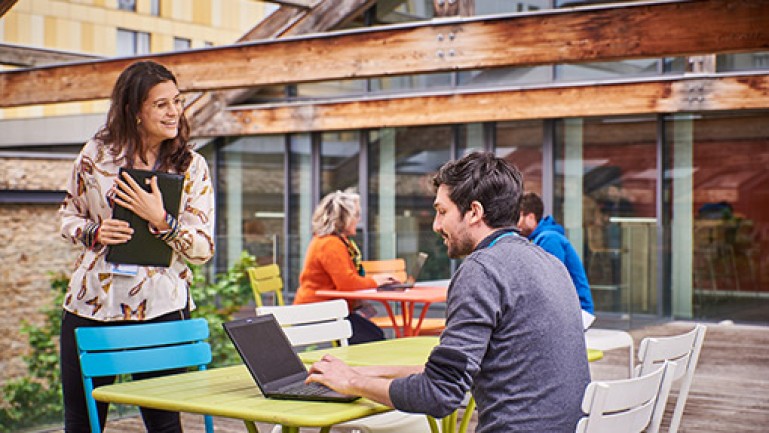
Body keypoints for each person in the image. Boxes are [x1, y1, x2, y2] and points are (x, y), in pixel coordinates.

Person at [306, 152, 590, 433]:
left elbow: (438, 394)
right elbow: (452, 373)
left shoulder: (482, 270)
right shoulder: (550, 263)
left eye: (442, 211)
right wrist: (363, 373)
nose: (436, 225)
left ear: (474, 212)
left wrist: (352, 384)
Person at [59, 61, 215, 433]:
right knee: (82, 424)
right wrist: (95, 232)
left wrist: (162, 222)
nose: (174, 111)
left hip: (162, 309)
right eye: (161, 104)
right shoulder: (95, 156)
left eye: (177, 101)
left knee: (164, 426)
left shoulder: (191, 167)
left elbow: (203, 248)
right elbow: (67, 218)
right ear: (134, 111)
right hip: (91, 307)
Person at [293, 190, 397, 344]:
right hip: (318, 314)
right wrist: (376, 281)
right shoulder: (330, 244)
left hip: (328, 310)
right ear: (343, 218)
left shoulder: (336, 242)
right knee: (373, 338)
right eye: (356, 215)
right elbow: (347, 284)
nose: (359, 219)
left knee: (374, 334)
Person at [517, 192, 595, 314]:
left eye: (519, 217)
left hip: (576, 312)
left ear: (531, 217)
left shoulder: (549, 239)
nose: (517, 224)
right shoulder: (541, 238)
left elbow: (551, 284)